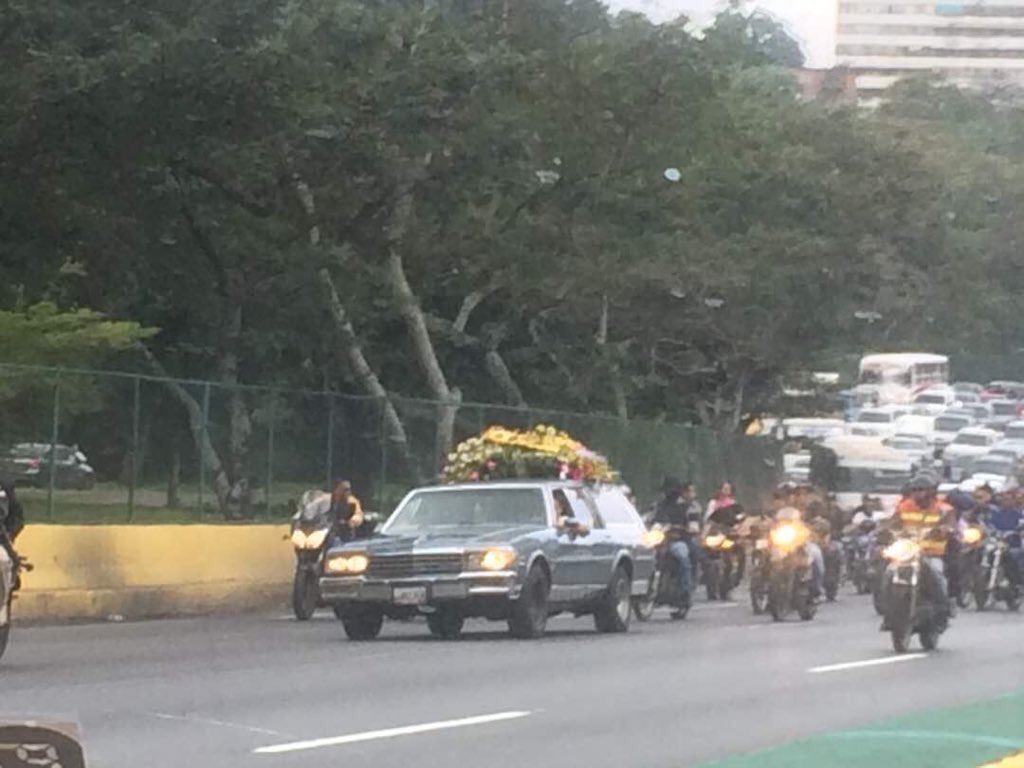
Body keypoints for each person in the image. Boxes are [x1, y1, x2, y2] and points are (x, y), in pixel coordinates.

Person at [883, 474, 956, 625]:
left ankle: (943, 608)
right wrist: (884, 530)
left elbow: (950, 525)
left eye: (921, 490)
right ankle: (889, 610)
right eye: (915, 490)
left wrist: (943, 530)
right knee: (888, 572)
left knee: (937, 573)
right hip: (907, 553)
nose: (917, 493)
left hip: (931, 554)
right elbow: (892, 523)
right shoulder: (904, 506)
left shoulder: (944, 509)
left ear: (931, 492)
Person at [652, 477, 692, 615]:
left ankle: (684, 596)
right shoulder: (659, 506)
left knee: (683, 559)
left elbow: (690, 526)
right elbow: (653, 521)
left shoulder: (684, 507)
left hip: (677, 541)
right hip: (660, 543)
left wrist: (680, 529)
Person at [0, 482, 26, 596]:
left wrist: (9, 533)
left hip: (4, 533)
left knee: (4, 559)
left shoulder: (4, 488)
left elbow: (17, 516)